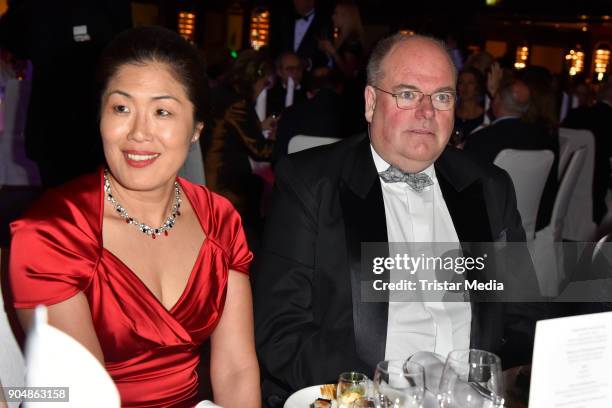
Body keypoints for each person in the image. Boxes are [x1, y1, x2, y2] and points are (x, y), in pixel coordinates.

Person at [254, 34, 542, 407]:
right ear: (371, 103)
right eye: (407, 94)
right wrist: (377, 394)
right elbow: (280, 328)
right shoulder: (311, 183)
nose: (427, 112)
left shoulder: (489, 186)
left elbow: (523, 311)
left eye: (442, 96)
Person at [9, 27, 260, 407]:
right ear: (101, 116)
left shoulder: (220, 220)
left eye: (162, 111)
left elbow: (236, 369)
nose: (139, 133)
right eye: (121, 108)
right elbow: (80, 396)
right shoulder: (52, 233)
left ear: (196, 129)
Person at [202, 49, 277, 248]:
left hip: (207, 176)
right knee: (267, 198)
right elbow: (261, 151)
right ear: (256, 77)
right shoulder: (238, 104)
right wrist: (290, 144)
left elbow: (225, 129)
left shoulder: (220, 94)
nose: (264, 88)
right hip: (224, 184)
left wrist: (258, 127)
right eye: (265, 82)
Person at [464, 79, 559, 233]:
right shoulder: (544, 139)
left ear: (497, 102)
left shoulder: (482, 140)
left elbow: (466, 190)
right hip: (532, 224)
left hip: (488, 228)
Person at [270, 0, 331, 71]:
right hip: (283, 76)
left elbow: (327, 56)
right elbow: (274, 47)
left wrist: (308, 63)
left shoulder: (324, 23)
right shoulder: (283, 18)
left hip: (311, 78)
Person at [265, 52, 307, 117]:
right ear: (279, 72)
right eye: (290, 69)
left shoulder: (308, 94)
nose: (296, 72)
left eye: (299, 68)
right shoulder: (271, 95)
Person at [453, 67, 486, 143]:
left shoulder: (485, 117)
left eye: (470, 83)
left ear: (477, 87)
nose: (465, 87)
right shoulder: (451, 114)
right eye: (461, 82)